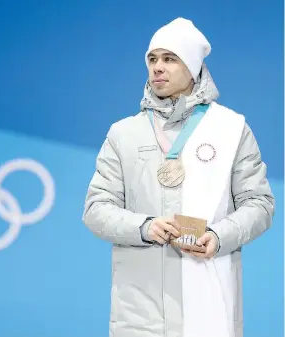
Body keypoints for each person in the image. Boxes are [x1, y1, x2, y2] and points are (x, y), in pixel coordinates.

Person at [82, 17, 274, 337]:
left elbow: (260, 204)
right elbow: (96, 209)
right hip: (139, 316)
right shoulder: (123, 133)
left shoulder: (231, 129)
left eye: (170, 59)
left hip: (211, 308)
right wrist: (144, 227)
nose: (158, 67)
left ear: (193, 67)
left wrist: (219, 236)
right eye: (152, 59)